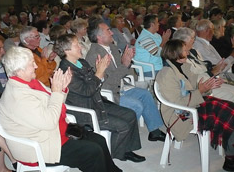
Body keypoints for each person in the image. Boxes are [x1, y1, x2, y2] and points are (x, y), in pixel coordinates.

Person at [0, 46, 122, 172]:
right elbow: (49, 122)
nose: (36, 66)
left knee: (98, 140)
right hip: (41, 146)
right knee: (92, 152)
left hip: (53, 134)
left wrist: (62, 88)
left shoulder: (31, 82)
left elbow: (54, 103)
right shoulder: (18, 97)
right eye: (31, 64)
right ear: (19, 70)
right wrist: (56, 92)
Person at [55, 33, 145, 163]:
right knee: (123, 126)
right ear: (66, 50)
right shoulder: (66, 71)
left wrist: (100, 72)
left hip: (97, 102)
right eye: (77, 45)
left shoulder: (81, 62)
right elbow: (87, 91)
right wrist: (99, 72)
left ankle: (125, 150)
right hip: (86, 111)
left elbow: (96, 84)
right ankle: (112, 156)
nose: (81, 46)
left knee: (130, 114)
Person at [156, 39, 234, 171]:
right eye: (185, 50)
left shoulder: (183, 68)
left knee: (230, 109)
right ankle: (230, 159)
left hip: (194, 104)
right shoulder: (167, 74)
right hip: (181, 115)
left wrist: (209, 86)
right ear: (176, 54)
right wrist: (201, 90)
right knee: (230, 114)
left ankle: (230, 154)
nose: (188, 52)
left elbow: (196, 88)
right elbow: (177, 104)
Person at [85, 17, 165, 142]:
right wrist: (124, 65)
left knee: (145, 94)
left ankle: (154, 131)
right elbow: (106, 84)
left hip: (120, 86)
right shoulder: (95, 55)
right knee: (136, 105)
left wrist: (126, 64)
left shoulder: (111, 47)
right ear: (99, 37)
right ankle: (123, 141)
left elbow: (123, 73)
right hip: (107, 94)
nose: (112, 33)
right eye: (108, 31)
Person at [173, 27, 234, 102]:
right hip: (201, 90)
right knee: (231, 96)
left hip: (209, 81)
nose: (194, 40)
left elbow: (203, 67)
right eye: (193, 38)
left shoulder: (193, 51)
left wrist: (216, 69)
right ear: (184, 42)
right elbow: (194, 80)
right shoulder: (180, 59)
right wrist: (212, 72)